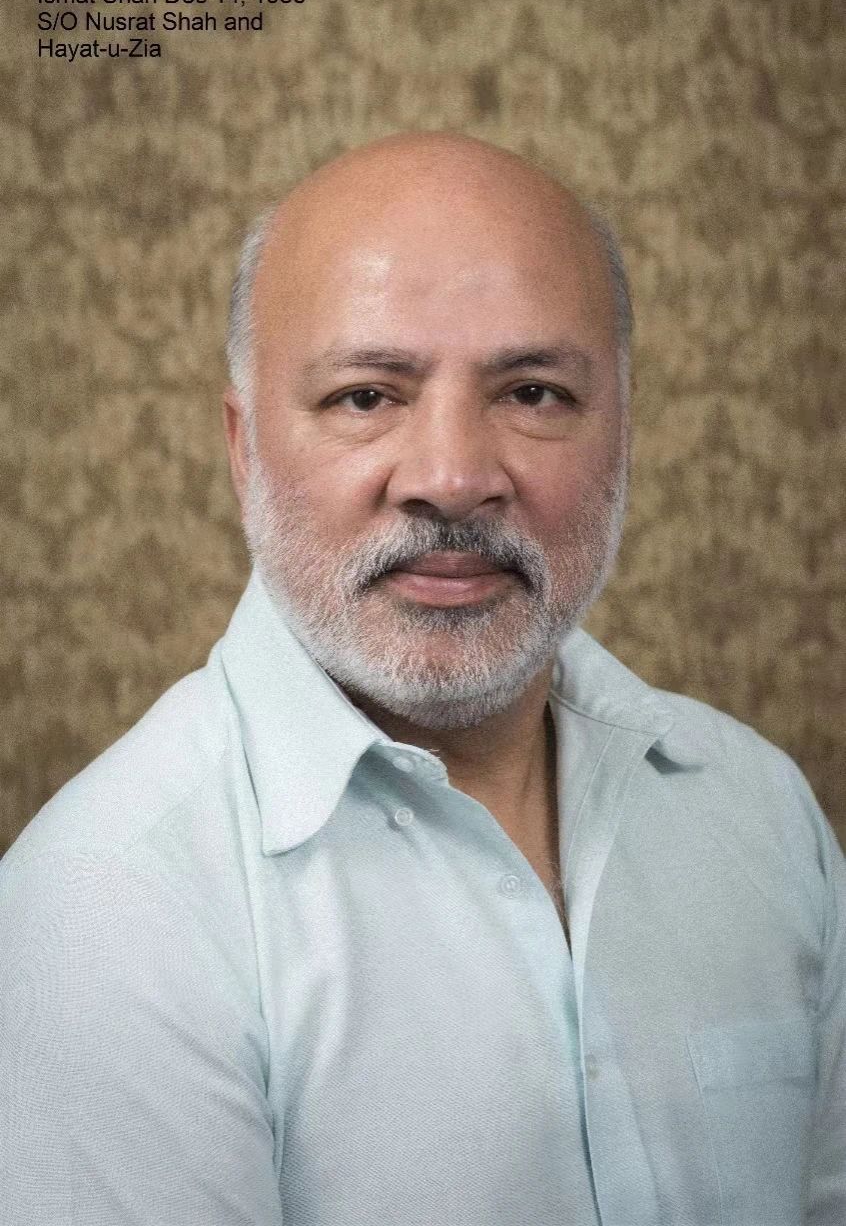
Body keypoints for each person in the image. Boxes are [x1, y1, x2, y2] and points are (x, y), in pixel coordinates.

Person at [0, 131, 843, 1226]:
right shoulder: (107, 907)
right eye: (366, 396)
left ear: (624, 435)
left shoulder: (759, 808)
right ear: (244, 447)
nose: (451, 477)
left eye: (534, 391)